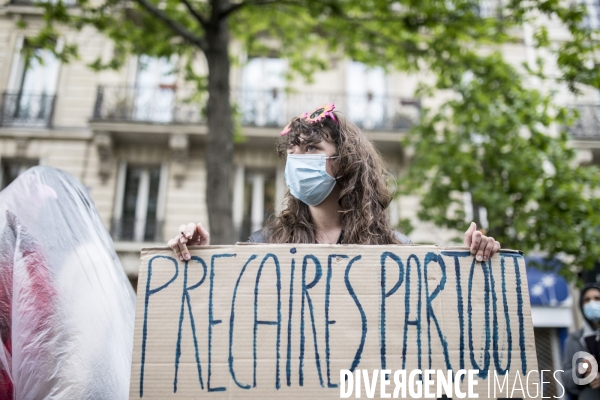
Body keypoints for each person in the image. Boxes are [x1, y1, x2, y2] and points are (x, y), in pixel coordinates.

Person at [168, 103, 501, 259]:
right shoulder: (264, 244)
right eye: (293, 151)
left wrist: (475, 260)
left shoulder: (396, 248)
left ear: (345, 162)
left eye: (312, 148)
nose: (299, 159)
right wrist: (201, 259)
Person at [562, 283, 600, 400]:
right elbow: (566, 379)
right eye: (587, 300)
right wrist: (581, 368)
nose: (592, 303)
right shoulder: (574, 339)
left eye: (597, 298)